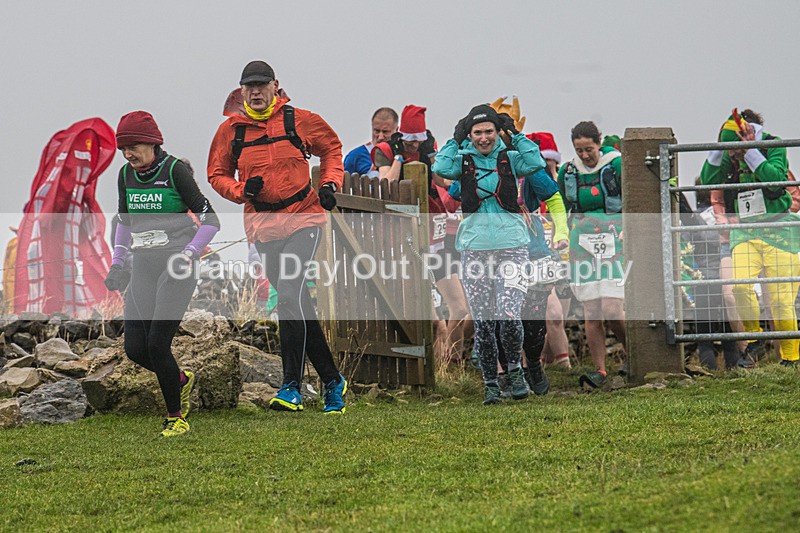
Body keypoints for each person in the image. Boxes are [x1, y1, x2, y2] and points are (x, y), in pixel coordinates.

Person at [207, 60, 348, 412]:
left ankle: (291, 386)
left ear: (275, 86)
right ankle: (333, 380)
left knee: (287, 293)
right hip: (263, 225)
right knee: (295, 300)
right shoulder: (230, 132)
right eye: (248, 86)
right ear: (241, 91)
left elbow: (331, 147)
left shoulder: (298, 120)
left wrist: (330, 183)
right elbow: (216, 174)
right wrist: (241, 190)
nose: (255, 92)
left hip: (304, 217)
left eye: (261, 85)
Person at [104, 111, 220, 437]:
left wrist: (189, 253)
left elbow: (211, 221)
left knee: (158, 344)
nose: (128, 154)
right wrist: (117, 262)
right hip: (142, 266)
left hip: (176, 266)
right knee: (135, 349)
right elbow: (124, 223)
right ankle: (180, 379)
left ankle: (176, 418)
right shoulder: (125, 174)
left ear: (153, 143)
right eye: (123, 148)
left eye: (134, 146)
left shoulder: (174, 170)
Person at [433, 104, 545, 404]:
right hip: (474, 248)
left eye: (490, 132)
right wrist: (455, 139)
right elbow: (440, 168)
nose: (484, 138)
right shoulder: (463, 159)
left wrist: (515, 134)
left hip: (512, 245)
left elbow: (535, 162)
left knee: (508, 313)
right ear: (470, 134)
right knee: (483, 320)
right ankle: (491, 383)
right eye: (478, 132)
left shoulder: (510, 158)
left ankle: (514, 370)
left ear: (498, 132)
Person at [700, 109, 800, 367]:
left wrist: (751, 151)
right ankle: (755, 338)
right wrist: (719, 149)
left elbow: (776, 181)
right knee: (740, 286)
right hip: (745, 230)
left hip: (779, 229)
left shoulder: (773, 146)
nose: (732, 155)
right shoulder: (729, 154)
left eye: (734, 149)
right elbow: (709, 180)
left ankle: (791, 358)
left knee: (780, 300)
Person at [558, 121, 626, 388]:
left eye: (589, 149)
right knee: (591, 310)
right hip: (582, 243)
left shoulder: (616, 164)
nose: (585, 155)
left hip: (614, 240)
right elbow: (563, 206)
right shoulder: (568, 171)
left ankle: (633, 356)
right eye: (579, 150)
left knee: (611, 306)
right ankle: (600, 370)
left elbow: (632, 198)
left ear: (599, 143)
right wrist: (562, 236)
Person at [527, 131, 572, 369]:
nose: (545, 165)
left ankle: (550, 364)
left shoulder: (561, 185)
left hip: (563, 259)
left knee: (557, 318)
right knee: (548, 314)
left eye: (549, 160)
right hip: (537, 256)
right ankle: (550, 367)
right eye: (540, 160)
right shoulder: (527, 187)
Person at [343, 107, 399, 178]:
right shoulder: (355, 156)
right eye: (377, 131)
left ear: (396, 130)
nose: (380, 137)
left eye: (385, 132)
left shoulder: (402, 154)